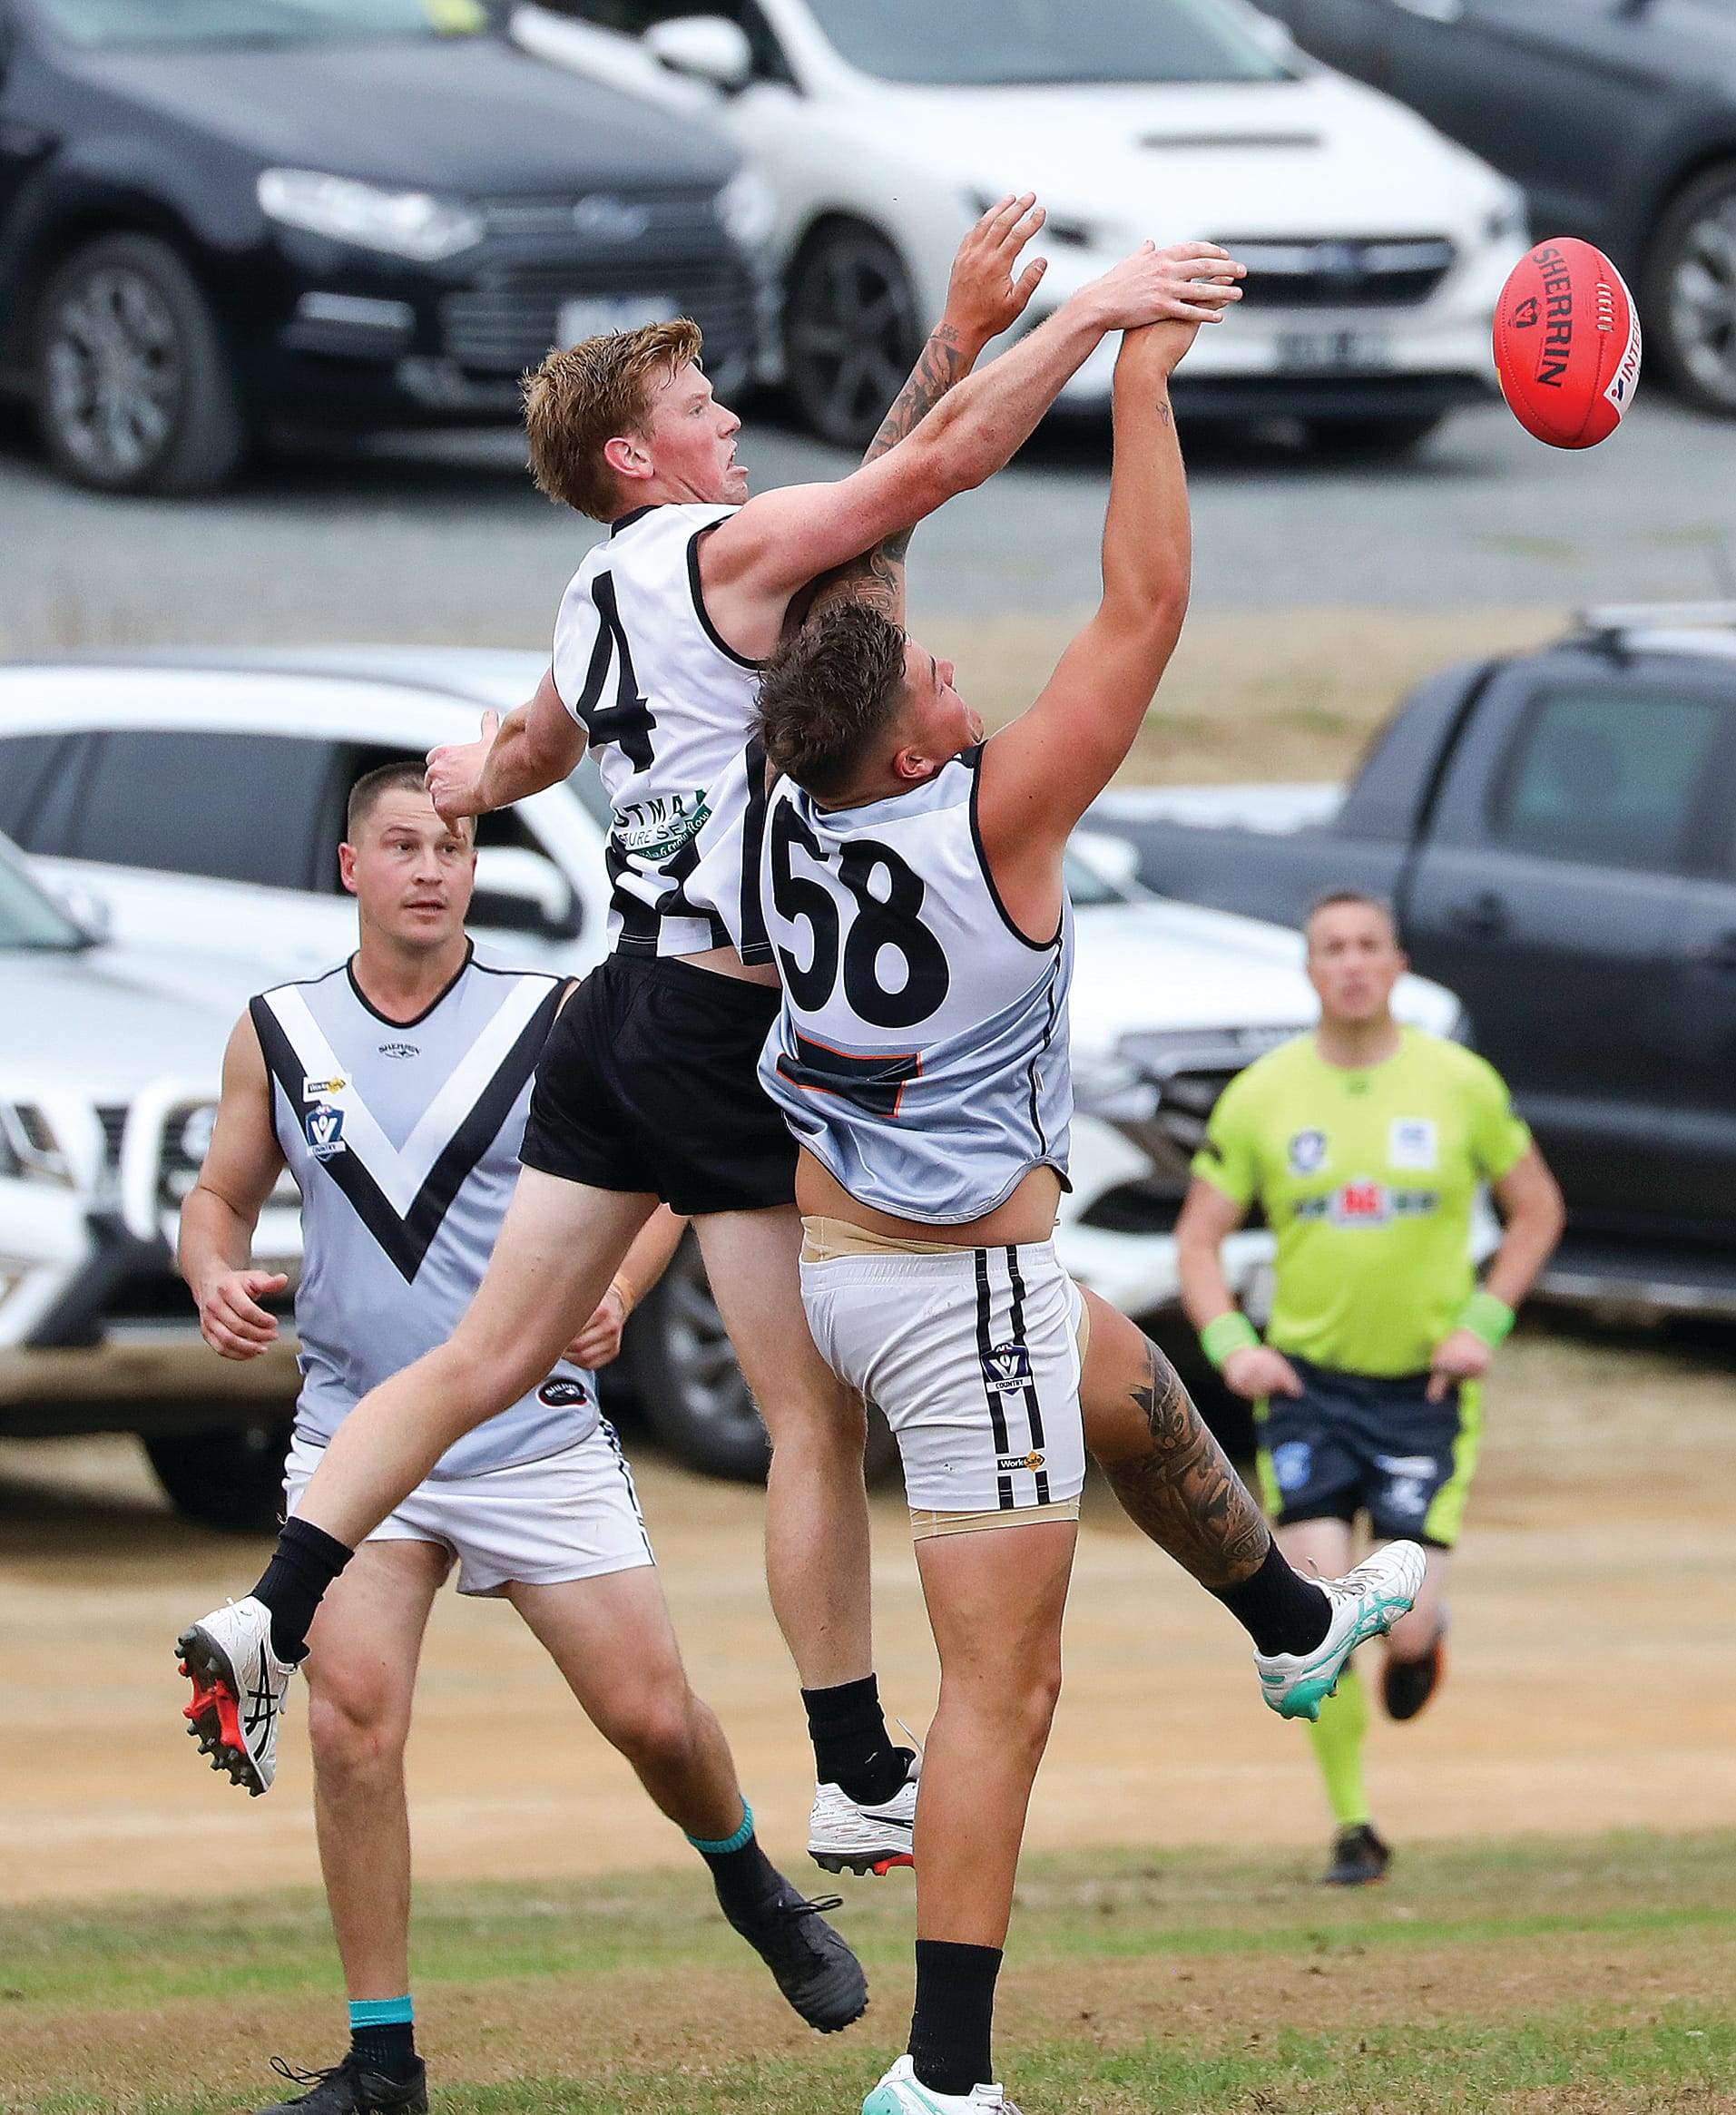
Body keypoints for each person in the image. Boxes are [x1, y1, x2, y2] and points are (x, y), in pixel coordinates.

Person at [172, 202, 1251, 1874]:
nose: (728, 421)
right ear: (633, 453)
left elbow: (528, 753)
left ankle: (273, 1602)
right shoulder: (708, 552)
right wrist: (1102, 314)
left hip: (611, 1010)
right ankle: (851, 1765)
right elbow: (934, 472)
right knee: (808, 1419)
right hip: (721, 1023)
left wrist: (468, 782)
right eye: (698, 407)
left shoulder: (594, 589)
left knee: (476, 1360)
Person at [750, 322, 1423, 2115]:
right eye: (923, 679)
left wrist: (952, 347)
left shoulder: (782, 796)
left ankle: (1289, 1622)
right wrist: (1138, 379)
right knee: (1003, 1691)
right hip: (951, 1287)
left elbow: (850, 555)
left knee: (1115, 1364)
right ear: (901, 751)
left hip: (848, 1265)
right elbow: (1137, 611)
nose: (945, 666)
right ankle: (943, 2073)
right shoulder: (990, 822)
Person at [177, 765, 866, 2115]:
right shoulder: (276, 1029)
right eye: (404, 845)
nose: (432, 865)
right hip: (355, 1441)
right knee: (350, 1727)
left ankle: (748, 1877)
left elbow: (670, 1172)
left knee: (654, 1721)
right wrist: (211, 1265)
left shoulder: (556, 1016)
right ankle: (383, 2062)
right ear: (349, 866)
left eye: (453, 844)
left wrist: (613, 1286)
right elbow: (219, 1191)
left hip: (535, 1441)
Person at [1175, 891, 1565, 1886]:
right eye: (1329, 950)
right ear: (1307, 972)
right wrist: (1232, 1346)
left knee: (1404, 1620)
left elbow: (1535, 1211)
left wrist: (1482, 1324)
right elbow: (1199, 1238)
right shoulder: (1262, 1095)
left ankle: (1424, 1640)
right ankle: (1353, 1827)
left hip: (1421, 1398)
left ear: (1395, 964)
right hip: (1304, 1387)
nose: (1349, 964)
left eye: (1365, 947)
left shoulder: (1458, 1083)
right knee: (1316, 1613)